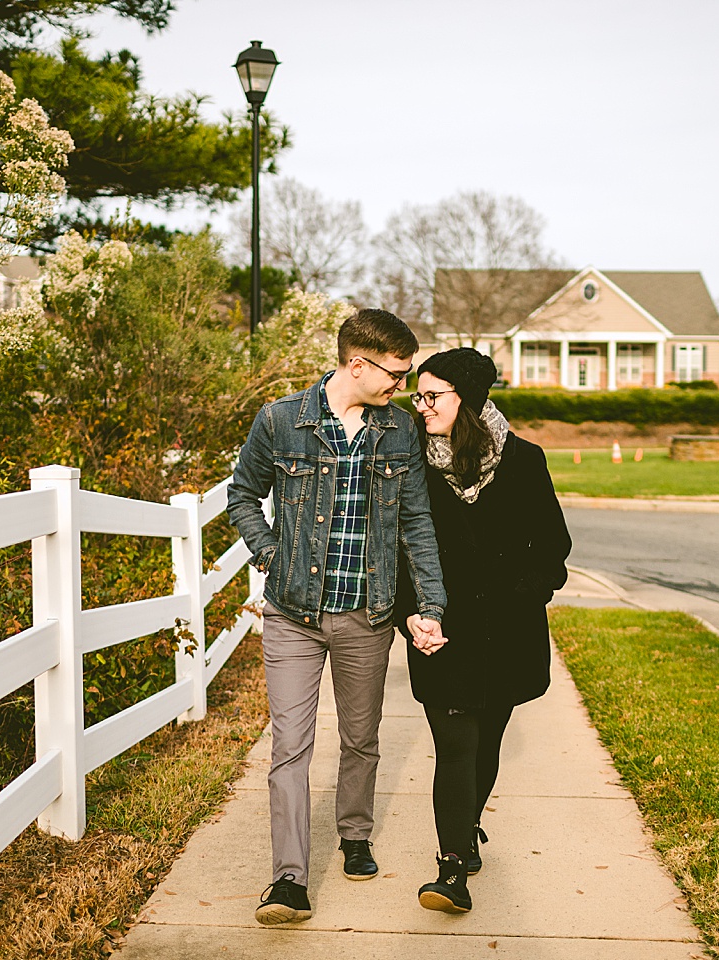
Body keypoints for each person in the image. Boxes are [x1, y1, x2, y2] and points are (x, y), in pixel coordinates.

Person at [227, 309, 447, 926]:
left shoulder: (397, 432)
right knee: (289, 746)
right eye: (396, 375)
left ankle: (355, 834)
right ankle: (289, 879)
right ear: (358, 364)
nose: (402, 387)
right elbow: (241, 495)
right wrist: (272, 554)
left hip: (368, 615)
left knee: (360, 738)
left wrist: (429, 604)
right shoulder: (280, 420)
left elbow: (415, 523)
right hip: (293, 615)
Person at [395, 347, 572, 914]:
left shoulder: (524, 460)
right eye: (418, 395)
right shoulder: (412, 466)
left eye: (432, 395)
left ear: (466, 399)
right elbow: (396, 551)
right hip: (441, 632)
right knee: (455, 745)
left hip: (507, 632)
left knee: (486, 743)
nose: (420, 406)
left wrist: (526, 590)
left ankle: (467, 826)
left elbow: (553, 548)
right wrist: (411, 613)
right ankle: (451, 871)